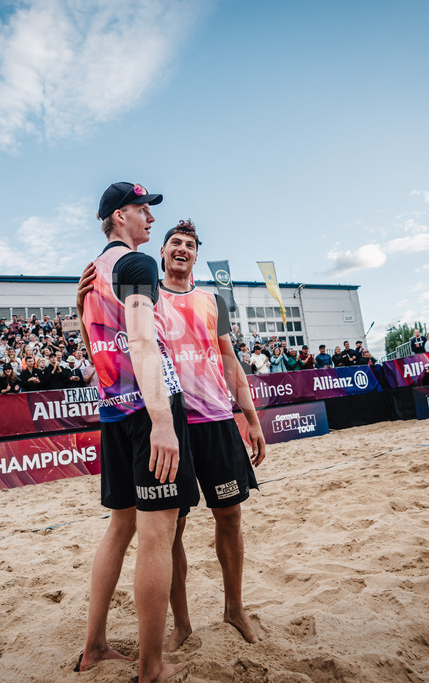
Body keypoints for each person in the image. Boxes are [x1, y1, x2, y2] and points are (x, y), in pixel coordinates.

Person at [74, 182, 197, 682]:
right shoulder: (137, 264)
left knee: (120, 526)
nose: (150, 217)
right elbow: (143, 342)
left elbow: (95, 348)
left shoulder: (92, 274)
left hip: (113, 411)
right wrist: (163, 422)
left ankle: (94, 647)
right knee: (156, 535)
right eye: (143, 209)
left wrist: (77, 308)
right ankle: (151, 668)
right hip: (148, 406)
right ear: (120, 215)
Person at [145, 219, 266, 650]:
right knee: (172, 530)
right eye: (175, 242)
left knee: (230, 517)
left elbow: (230, 360)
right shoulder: (146, 298)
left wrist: (251, 418)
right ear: (163, 251)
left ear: (196, 255)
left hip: (216, 421)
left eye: (190, 244)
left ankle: (234, 608)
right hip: (171, 427)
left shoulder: (213, 300)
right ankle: (181, 624)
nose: (183, 248)